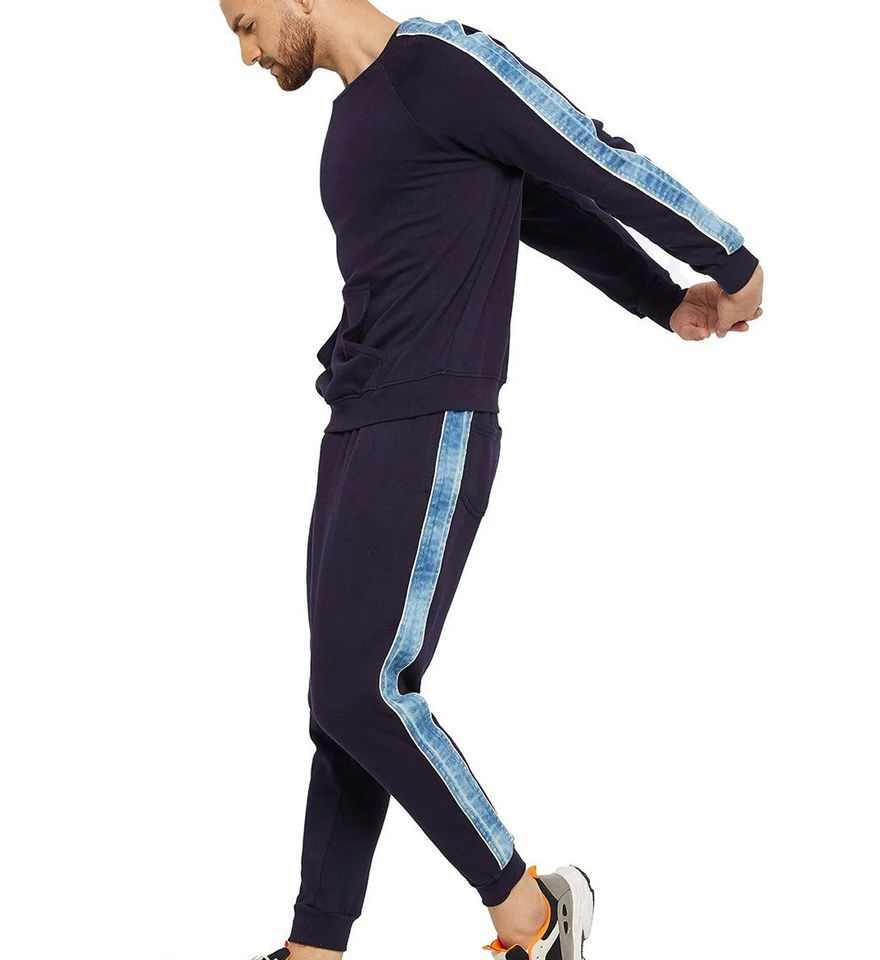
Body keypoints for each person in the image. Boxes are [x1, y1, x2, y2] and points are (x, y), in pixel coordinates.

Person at [219, 4, 764, 959]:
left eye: (248, 22)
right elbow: (535, 208)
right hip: (356, 421)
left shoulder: (441, 64)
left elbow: (583, 153)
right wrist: (656, 297)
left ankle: (531, 911)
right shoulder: (355, 117)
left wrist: (725, 258)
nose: (247, 53)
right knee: (338, 703)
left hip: (431, 416)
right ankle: (313, 948)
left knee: (366, 689)